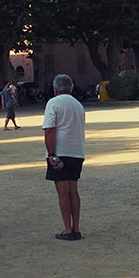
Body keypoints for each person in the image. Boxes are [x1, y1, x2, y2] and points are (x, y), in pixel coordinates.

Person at [42, 73, 86, 241]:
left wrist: (51, 153)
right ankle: (76, 227)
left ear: (55, 89)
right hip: (77, 152)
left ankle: (67, 229)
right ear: (71, 88)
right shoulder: (78, 105)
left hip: (60, 152)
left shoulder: (53, 103)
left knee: (62, 192)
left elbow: (49, 129)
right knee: (73, 190)